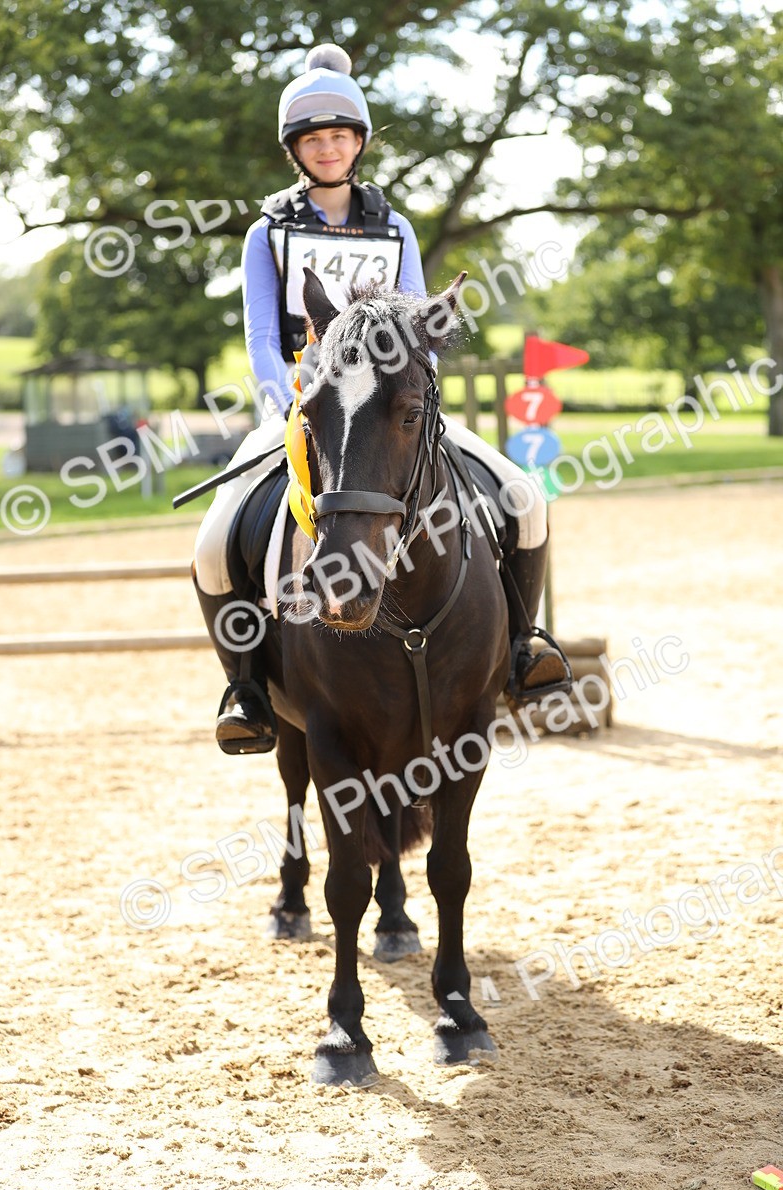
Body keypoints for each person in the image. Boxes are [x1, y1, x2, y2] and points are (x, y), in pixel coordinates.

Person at [192, 43, 569, 755]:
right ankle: (246, 687)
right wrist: (293, 405)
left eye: (339, 136)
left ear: (358, 143)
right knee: (214, 544)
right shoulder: (266, 233)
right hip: (303, 408)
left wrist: (411, 395)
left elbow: (422, 328)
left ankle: (524, 646)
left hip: (393, 408)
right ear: (296, 150)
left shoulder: (394, 228)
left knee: (523, 496)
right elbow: (261, 336)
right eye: (314, 139)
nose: (328, 148)